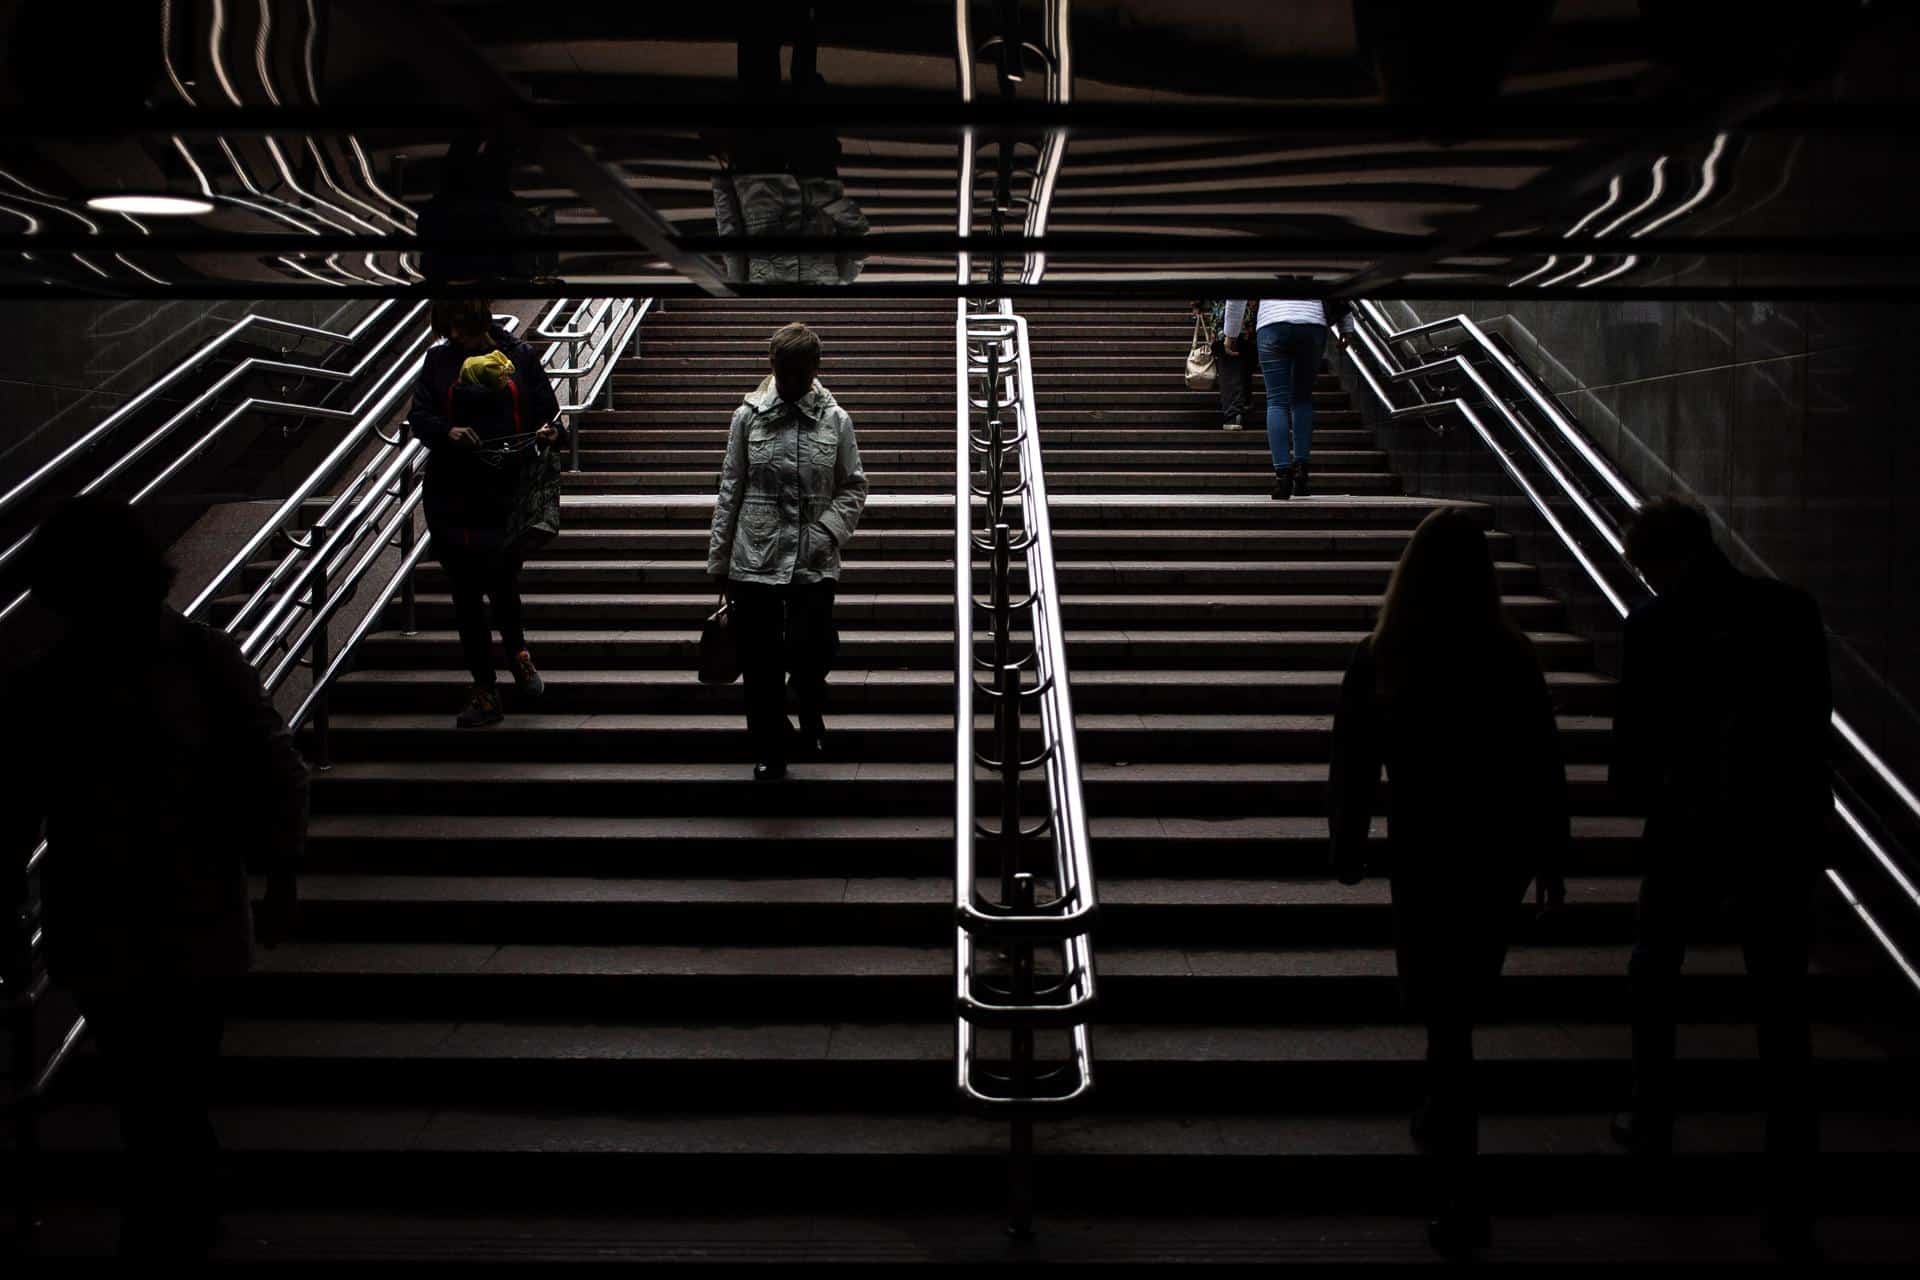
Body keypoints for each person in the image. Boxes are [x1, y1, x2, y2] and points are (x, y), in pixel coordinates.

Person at [2, 496, 307, 1258]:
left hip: (105, 908)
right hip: (188, 903)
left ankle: (170, 1216)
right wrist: (278, 873)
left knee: (147, 1089)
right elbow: (273, 764)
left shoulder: (51, 682)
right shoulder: (200, 657)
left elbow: (16, 800)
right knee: (172, 1082)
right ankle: (183, 1211)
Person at [1327, 507, 1568, 1258]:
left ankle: (1461, 1190)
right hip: (1495, 850)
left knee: (1445, 1014)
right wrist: (1552, 855)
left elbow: (1354, 762)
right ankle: (1444, 1119)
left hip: (1427, 848)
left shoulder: (1384, 653)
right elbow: (1542, 758)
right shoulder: (1510, 653)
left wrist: (1348, 841)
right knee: (1461, 1003)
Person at [1609, 496, 1829, 1259]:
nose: (1644, 580)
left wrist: (1633, 794)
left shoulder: (1654, 626)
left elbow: (1636, 742)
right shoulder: (1790, 610)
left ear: (1667, 559)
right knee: (1781, 1009)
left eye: (1643, 567)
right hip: (1779, 835)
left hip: (1690, 830)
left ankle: (1653, 1122)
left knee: (1655, 973)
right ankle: (1792, 1186)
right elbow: (1812, 725)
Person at [707, 322, 869, 780]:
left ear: (815, 369)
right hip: (753, 557)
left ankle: (810, 700)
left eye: (799, 373)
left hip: (813, 560)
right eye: (783, 373)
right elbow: (731, 487)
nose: (791, 382)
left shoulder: (836, 421)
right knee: (759, 661)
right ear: (771, 367)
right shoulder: (748, 417)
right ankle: (769, 750)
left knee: (812, 648)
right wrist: (719, 558)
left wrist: (825, 533)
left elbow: (853, 486)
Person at [408, 298, 564, 729]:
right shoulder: (438, 360)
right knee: (465, 596)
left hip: (506, 491)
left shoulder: (519, 355)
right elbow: (420, 415)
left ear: (481, 320)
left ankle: (519, 655)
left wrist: (551, 432)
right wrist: (447, 430)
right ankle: (484, 689)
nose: (456, 338)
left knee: (502, 583)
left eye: (463, 328)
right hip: (453, 493)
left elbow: (548, 411)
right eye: (449, 329)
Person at [1224, 294, 1328, 499]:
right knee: (1302, 398)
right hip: (1312, 322)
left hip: (1272, 323)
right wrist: (1347, 325)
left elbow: (1238, 291)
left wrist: (1231, 332)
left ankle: (1283, 477)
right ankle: (1301, 473)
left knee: (1277, 400)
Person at [1191, 300, 1256, 430]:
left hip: (1224, 320)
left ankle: (1233, 413)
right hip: (1251, 320)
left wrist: (1197, 304)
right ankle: (1245, 401)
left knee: (1228, 364)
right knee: (1245, 359)